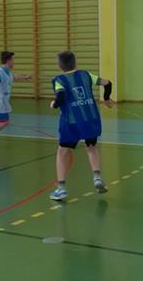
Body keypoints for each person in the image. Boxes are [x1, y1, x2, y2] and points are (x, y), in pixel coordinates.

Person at [48, 50, 113, 201]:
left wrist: (54, 104)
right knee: (91, 147)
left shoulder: (59, 80)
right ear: (75, 63)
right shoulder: (86, 75)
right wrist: (106, 98)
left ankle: (61, 188)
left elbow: (61, 96)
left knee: (62, 152)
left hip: (71, 122)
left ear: (59, 65)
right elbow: (107, 83)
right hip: (91, 118)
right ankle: (97, 177)